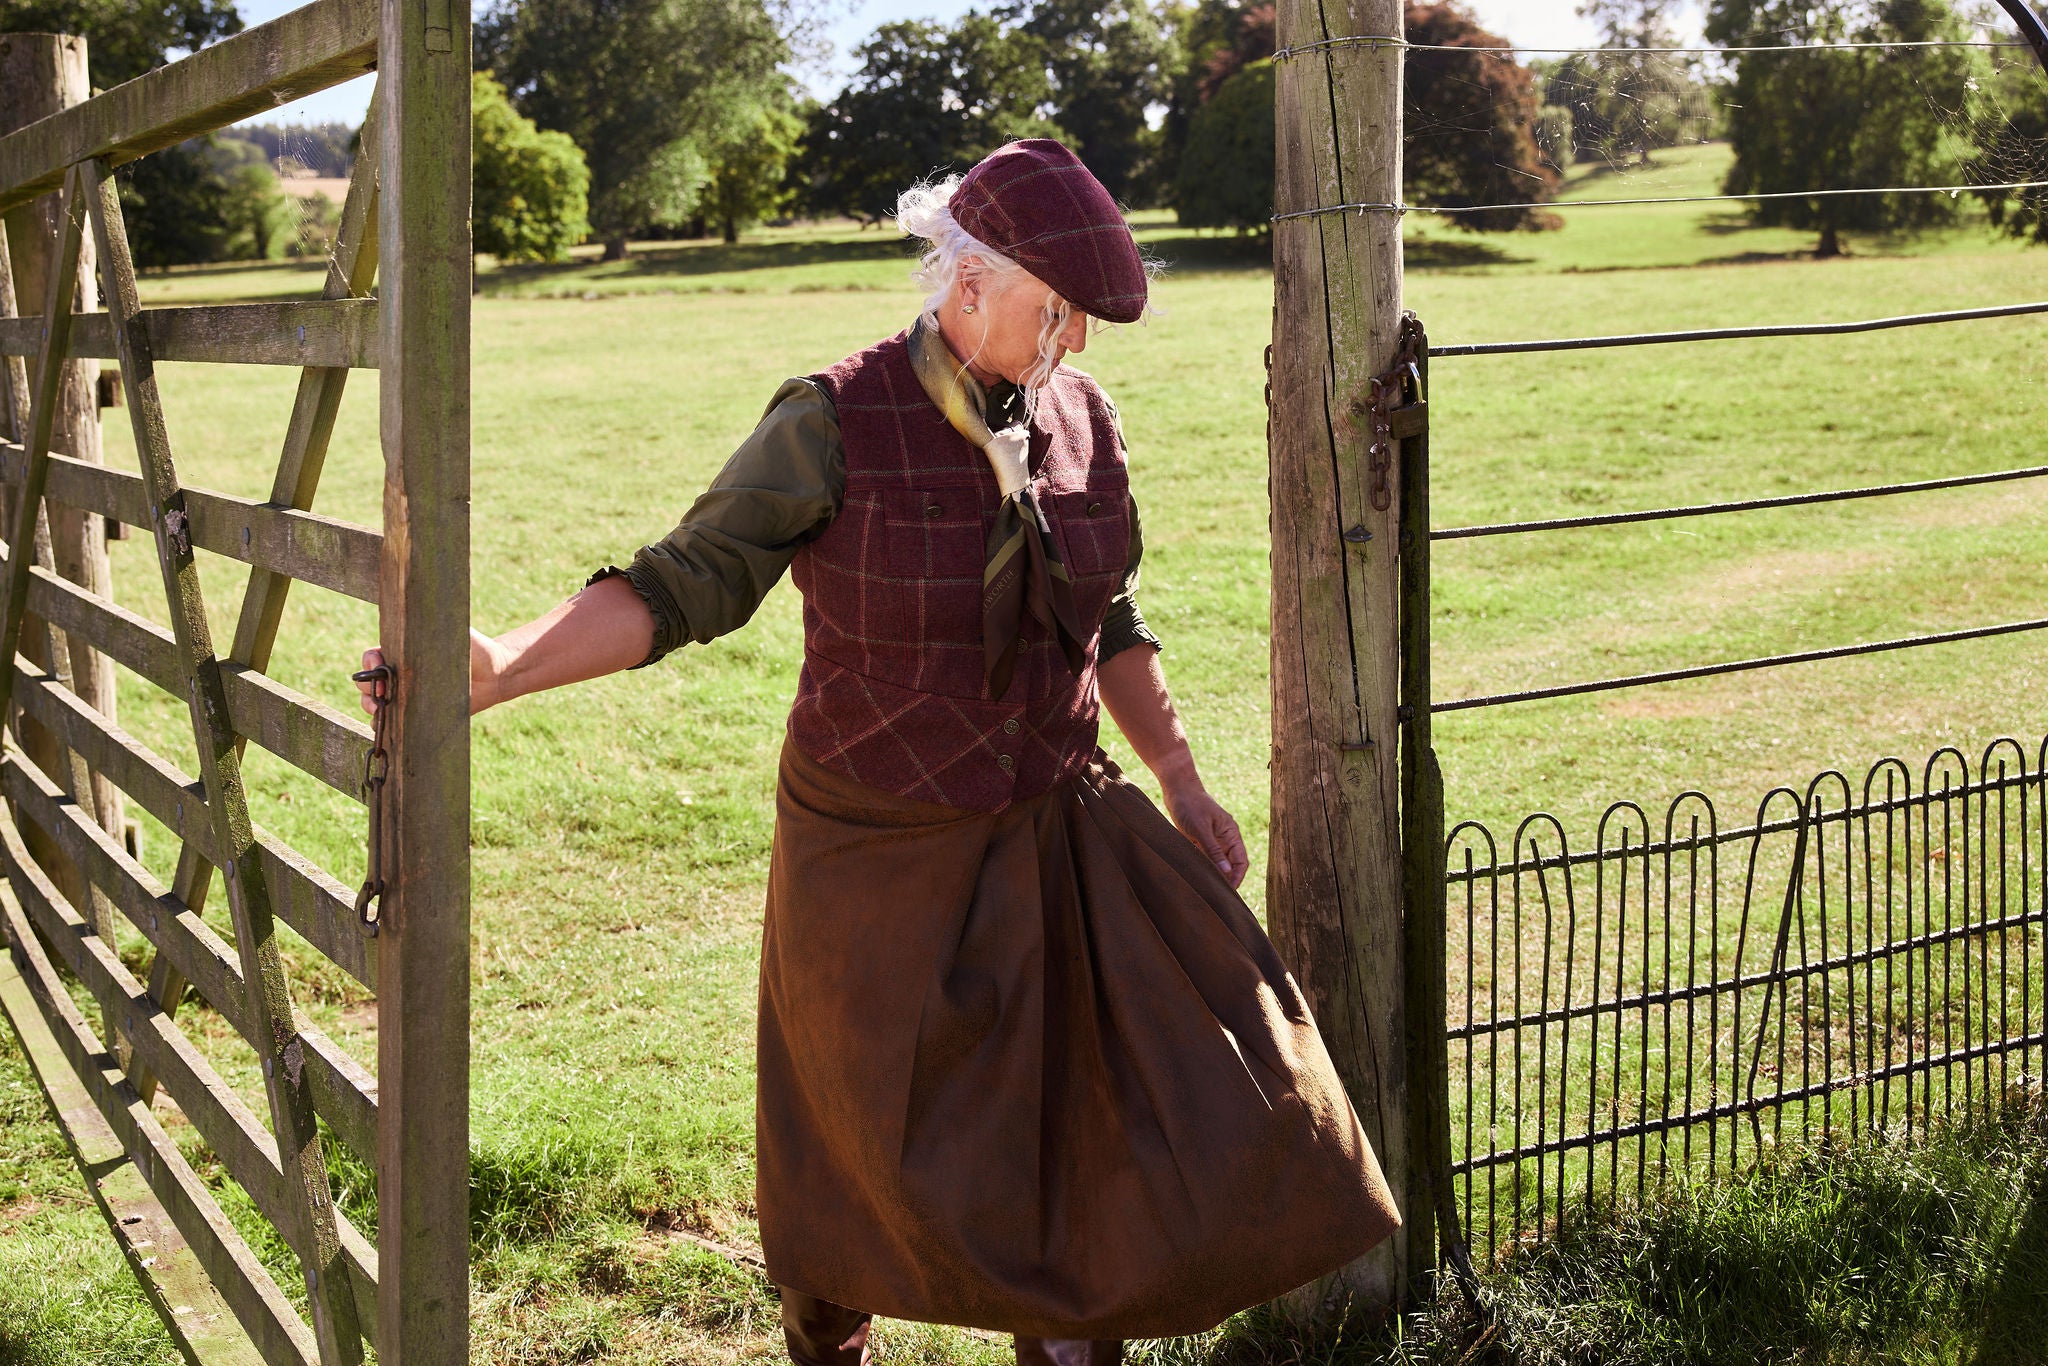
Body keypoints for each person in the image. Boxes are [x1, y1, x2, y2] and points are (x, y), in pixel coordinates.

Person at [358, 139, 1397, 1366]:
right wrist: (502, 671)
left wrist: (1176, 776)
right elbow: (686, 580)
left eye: (1083, 318)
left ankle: (1070, 1340)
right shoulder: (831, 419)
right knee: (848, 1160)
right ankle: (827, 1336)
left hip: (1052, 835)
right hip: (873, 857)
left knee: (1114, 1141)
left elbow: (1104, 613)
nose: (1074, 341)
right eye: (1050, 309)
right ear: (963, 283)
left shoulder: (1080, 418)